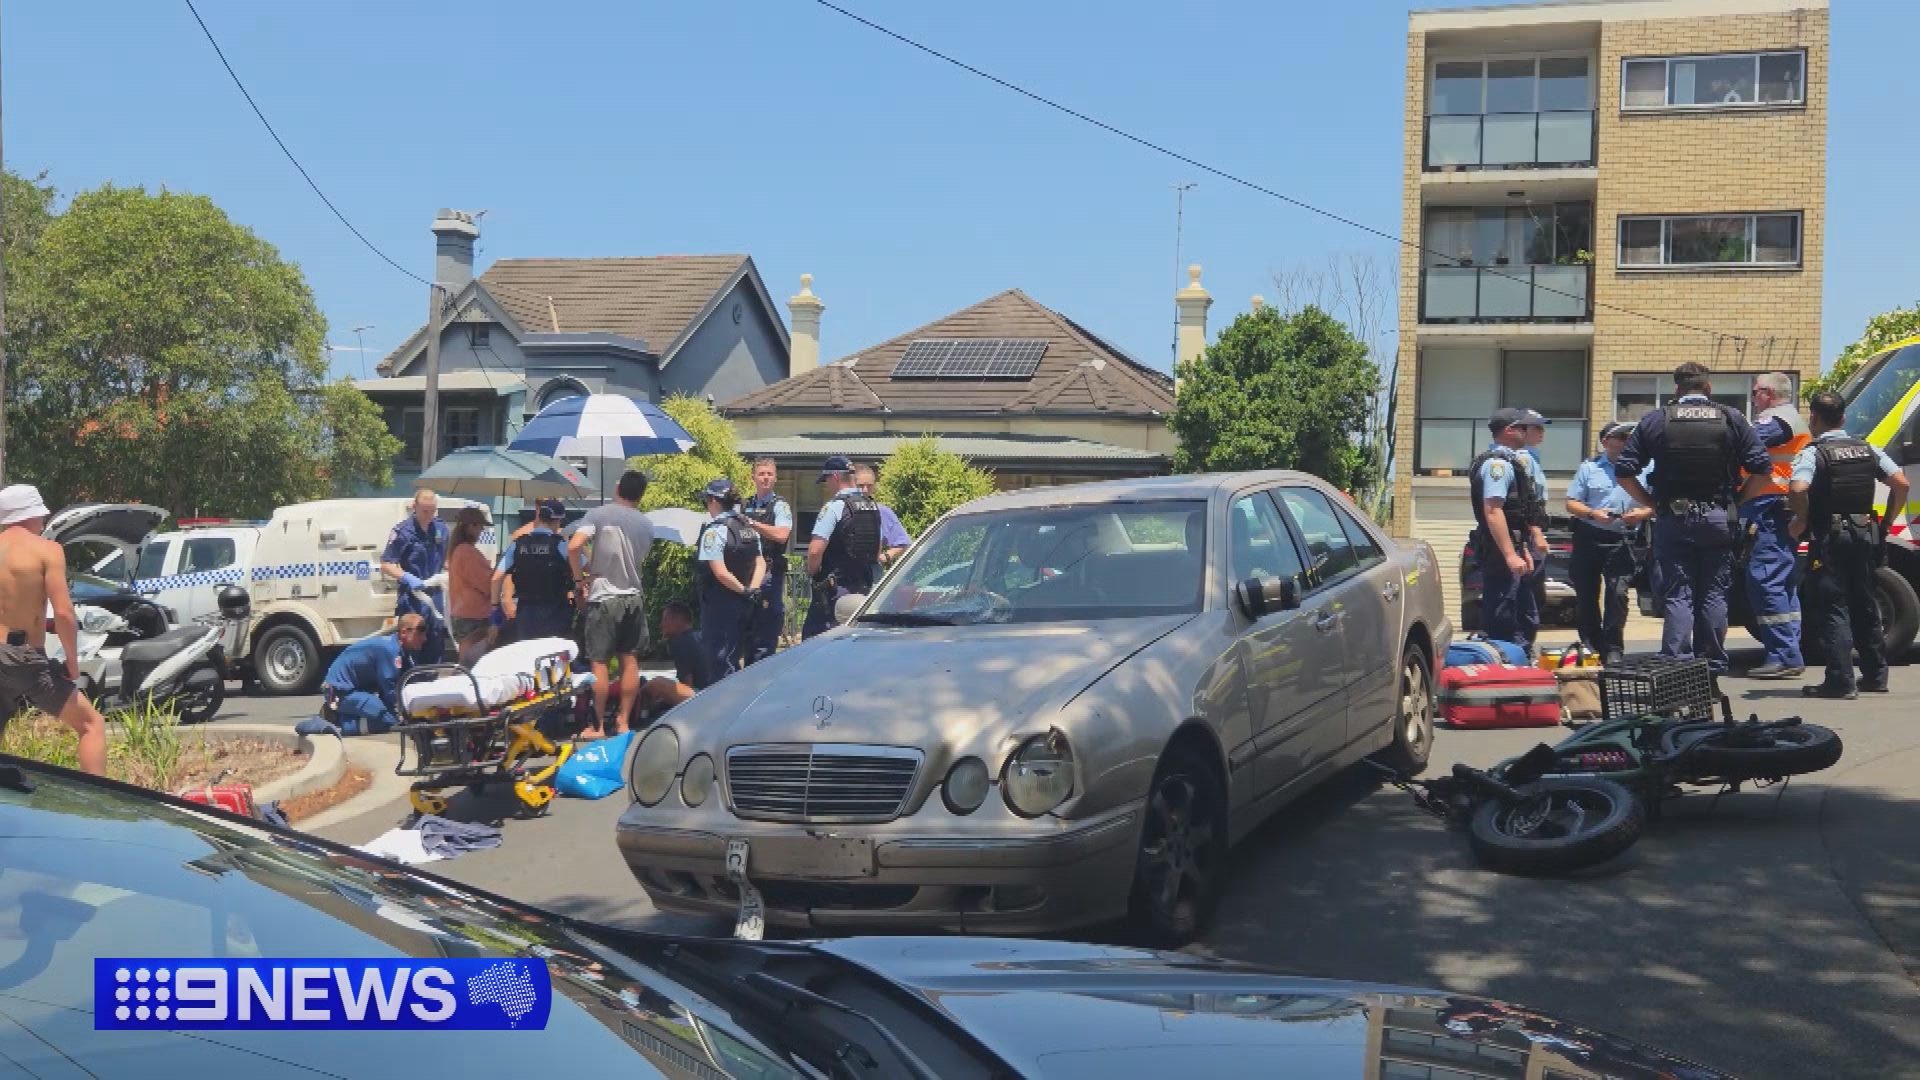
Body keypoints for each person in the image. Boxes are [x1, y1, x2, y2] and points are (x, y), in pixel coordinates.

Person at [1616, 362, 1771, 672]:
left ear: (1676, 389)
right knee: (1714, 592)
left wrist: (1650, 503)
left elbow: (1623, 471)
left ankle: (1677, 661)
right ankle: (1712, 661)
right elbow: (1762, 470)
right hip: (1718, 516)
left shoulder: (1657, 420)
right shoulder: (1731, 418)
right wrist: (1738, 502)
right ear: (1708, 388)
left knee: (1678, 592)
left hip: (1673, 518)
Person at [1789, 390, 1909, 698]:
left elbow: (1799, 487)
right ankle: (1875, 676)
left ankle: (1840, 681)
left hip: (1830, 537)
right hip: (1864, 534)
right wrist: (1883, 525)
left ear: (1813, 418)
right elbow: (1901, 483)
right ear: (1843, 419)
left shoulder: (1813, 452)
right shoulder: (1867, 448)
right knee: (1864, 602)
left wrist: (1802, 519)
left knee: (1833, 606)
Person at [0, 485, 107, 775]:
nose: (44, 523)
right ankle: (98, 806)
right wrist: (72, 663)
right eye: (41, 516)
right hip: (24, 658)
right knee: (91, 725)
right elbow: (63, 613)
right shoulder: (47, 550)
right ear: (32, 515)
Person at [567, 470, 655, 739]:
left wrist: (579, 579)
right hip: (633, 597)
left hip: (603, 598)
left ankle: (597, 725)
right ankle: (624, 721)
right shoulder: (646, 524)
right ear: (641, 495)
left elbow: (574, 546)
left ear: (618, 488)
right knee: (630, 660)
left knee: (599, 663)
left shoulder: (599, 514)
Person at [1738, 372, 1812, 678]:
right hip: (1775, 508)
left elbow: (1745, 443)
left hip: (1769, 508)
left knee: (1765, 579)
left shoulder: (1778, 419)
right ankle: (1789, 652)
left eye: (1755, 391)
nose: (1753, 397)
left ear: (1768, 393)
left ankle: (1783, 656)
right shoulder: (1786, 418)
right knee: (1782, 583)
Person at [1565, 422, 1653, 665]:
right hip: (1589, 536)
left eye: (1631, 438)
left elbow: (1658, 505)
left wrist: (1641, 514)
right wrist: (1593, 514)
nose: (1627, 441)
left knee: (1617, 594)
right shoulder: (1589, 468)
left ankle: (1614, 648)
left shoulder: (1646, 468)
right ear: (1606, 442)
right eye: (1622, 437)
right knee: (1586, 595)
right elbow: (1571, 503)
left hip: (1623, 539)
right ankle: (1592, 645)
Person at [1469, 409, 1546, 648]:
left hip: (1512, 545)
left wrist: (1523, 547)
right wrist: (1510, 555)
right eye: (1523, 427)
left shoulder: (1512, 461)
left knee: (1524, 615)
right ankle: (1503, 666)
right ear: (1509, 430)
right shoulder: (1497, 466)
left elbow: (1516, 513)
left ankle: (1520, 661)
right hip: (1499, 552)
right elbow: (1493, 511)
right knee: (1504, 614)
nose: (1528, 432)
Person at [804, 456, 884, 639]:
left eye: (827, 480)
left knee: (816, 640)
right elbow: (877, 549)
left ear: (835, 477)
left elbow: (815, 549)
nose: (827, 485)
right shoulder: (872, 506)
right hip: (864, 587)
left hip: (836, 590)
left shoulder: (834, 507)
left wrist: (814, 573)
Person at [694, 478, 765, 677]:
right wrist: (752, 590)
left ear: (714, 501)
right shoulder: (748, 528)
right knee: (737, 658)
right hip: (745, 604)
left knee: (720, 663)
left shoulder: (715, 531)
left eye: (707, 501)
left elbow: (720, 572)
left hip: (720, 606)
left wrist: (743, 590)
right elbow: (760, 562)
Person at [318, 614, 430, 736]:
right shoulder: (389, 650)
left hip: (359, 689)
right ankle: (338, 719)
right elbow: (391, 691)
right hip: (340, 691)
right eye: (420, 631)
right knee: (391, 720)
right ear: (403, 632)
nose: (424, 638)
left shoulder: (403, 652)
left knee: (395, 715)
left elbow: (408, 682)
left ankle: (348, 713)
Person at [380, 490, 451, 665]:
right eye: (425, 511)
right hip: (413, 598)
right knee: (411, 647)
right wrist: (406, 577)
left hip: (435, 597)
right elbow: (386, 564)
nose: (429, 515)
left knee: (435, 646)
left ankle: (430, 686)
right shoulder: (403, 531)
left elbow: (447, 559)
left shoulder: (441, 529)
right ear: (414, 507)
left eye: (432, 511)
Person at [493, 499, 577, 643]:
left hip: (526, 612)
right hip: (556, 612)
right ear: (557, 521)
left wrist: (495, 607)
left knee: (529, 657)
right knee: (554, 656)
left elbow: (496, 578)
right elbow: (587, 567)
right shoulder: (561, 545)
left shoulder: (518, 544)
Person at [740, 458, 793, 666]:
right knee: (746, 634)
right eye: (761, 473)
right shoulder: (744, 505)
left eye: (770, 474)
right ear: (753, 477)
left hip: (770, 575)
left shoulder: (780, 506)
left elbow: (782, 534)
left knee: (765, 636)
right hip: (745, 575)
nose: (765, 478)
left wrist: (753, 524)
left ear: (775, 478)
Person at [1515, 409, 1554, 650]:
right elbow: (1527, 502)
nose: (1542, 433)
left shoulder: (1532, 458)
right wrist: (1536, 532)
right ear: (1522, 431)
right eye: (1536, 428)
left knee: (1531, 595)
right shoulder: (1525, 459)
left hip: (1530, 533)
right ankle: (1521, 649)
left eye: (1542, 428)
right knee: (1527, 597)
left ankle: (1522, 647)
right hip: (1528, 536)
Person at [640, 600, 717, 717]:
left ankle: (634, 706)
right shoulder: (700, 636)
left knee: (657, 683)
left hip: (700, 699)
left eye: (664, 620)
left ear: (676, 620)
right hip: (716, 693)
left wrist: (663, 700)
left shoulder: (679, 643)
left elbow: (687, 685)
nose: (661, 625)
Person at [445, 506, 495, 665]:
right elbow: (488, 585)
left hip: (462, 614)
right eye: (479, 526)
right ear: (470, 526)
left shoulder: (457, 551)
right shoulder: (468, 552)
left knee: (466, 661)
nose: (481, 530)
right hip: (474, 617)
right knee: (474, 665)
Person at [851, 463, 913, 573]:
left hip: (871, 573)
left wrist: (886, 557)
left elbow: (903, 543)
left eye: (869, 485)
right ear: (851, 484)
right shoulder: (842, 509)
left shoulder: (881, 511)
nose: (865, 490)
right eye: (860, 485)